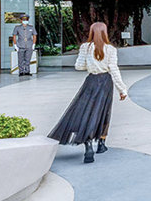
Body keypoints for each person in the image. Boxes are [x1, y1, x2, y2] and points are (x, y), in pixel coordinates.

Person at [47, 22, 128, 163]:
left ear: (91, 32)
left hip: (91, 81)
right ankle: (101, 144)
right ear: (104, 33)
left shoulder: (85, 47)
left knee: (87, 112)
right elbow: (114, 70)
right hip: (105, 82)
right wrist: (122, 89)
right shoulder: (110, 49)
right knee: (104, 112)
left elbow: (78, 66)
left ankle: (88, 145)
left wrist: (90, 63)